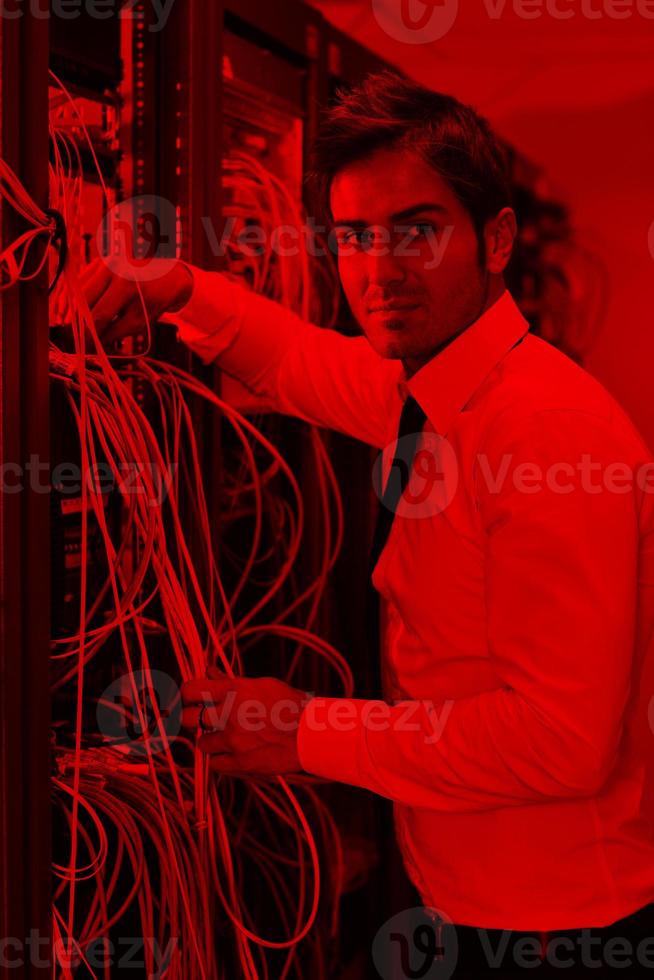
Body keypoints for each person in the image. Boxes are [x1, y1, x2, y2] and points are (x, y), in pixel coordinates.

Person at [84, 71, 654, 977]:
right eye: (354, 236)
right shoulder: (433, 388)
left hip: (554, 926)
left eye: (417, 231)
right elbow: (308, 362)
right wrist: (184, 287)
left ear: (497, 239)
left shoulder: (544, 432)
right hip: (470, 892)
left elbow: (559, 741)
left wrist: (305, 730)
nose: (379, 271)